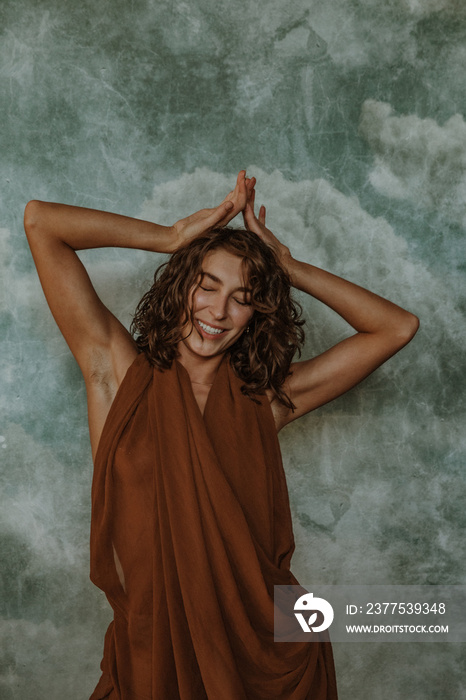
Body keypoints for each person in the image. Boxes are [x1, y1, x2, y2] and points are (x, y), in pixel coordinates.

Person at [24, 171, 419, 699]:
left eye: (243, 296)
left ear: (257, 311)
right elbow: (41, 222)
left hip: (262, 654)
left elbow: (397, 327)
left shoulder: (269, 400)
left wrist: (291, 268)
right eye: (207, 286)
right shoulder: (115, 374)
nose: (219, 311)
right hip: (152, 650)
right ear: (182, 283)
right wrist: (168, 236)